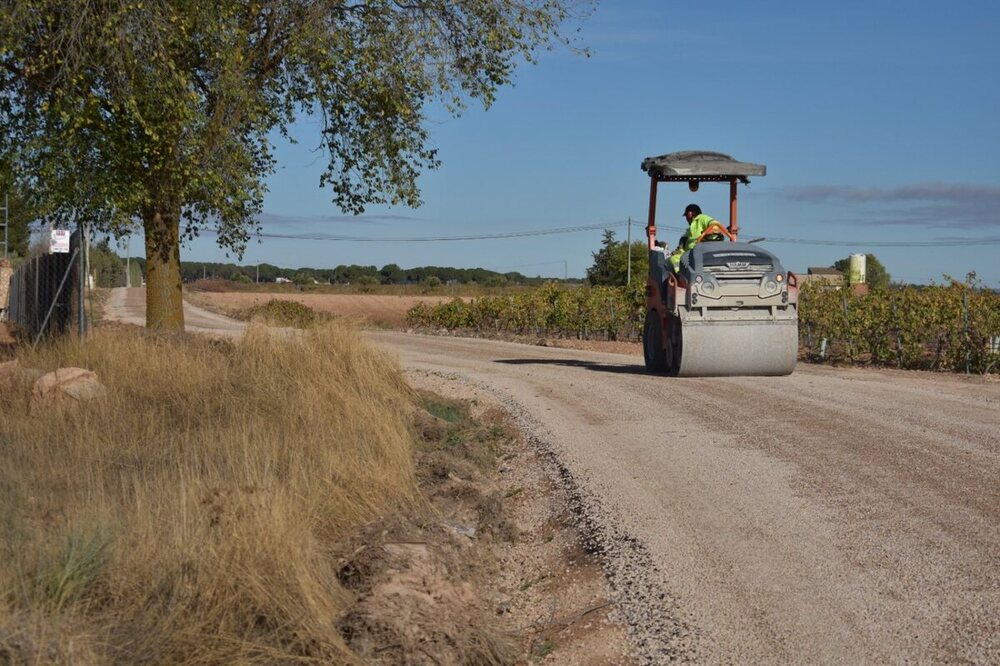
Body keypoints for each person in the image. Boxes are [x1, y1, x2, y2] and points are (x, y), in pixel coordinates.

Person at [669, 204, 723, 271]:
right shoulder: (691, 228)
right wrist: (680, 250)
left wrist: (710, 232)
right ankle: (681, 275)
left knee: (674, 259)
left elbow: (715, 224)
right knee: (672, 259)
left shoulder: (702, 218)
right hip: (691, 252)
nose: (686, 219)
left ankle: (680, 275)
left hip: (701, 250)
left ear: (691, 213)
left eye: (686, 215)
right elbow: (685, 241)